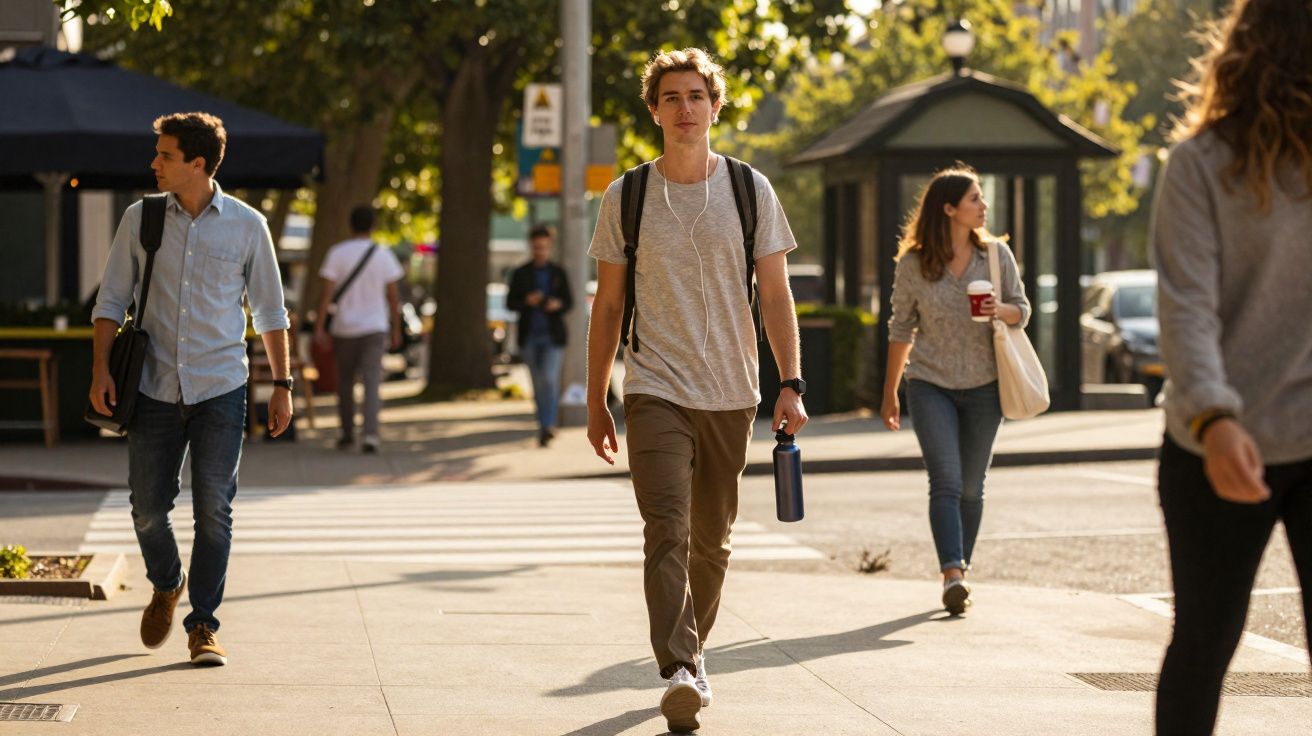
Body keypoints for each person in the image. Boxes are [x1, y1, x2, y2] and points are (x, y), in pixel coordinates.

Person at [586, 47, 808, 734]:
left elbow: (775, 294)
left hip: (733, 390)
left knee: (712, 540)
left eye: (696, 97)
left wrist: (790, 382)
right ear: (653, 111)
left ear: (715, 106)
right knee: (667, 529)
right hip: (655, 387)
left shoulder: (749, 189)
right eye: (671, 98)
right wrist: (597, 397)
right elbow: (608, 305)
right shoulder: (627, 195)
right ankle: (679, 667)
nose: (685, 109)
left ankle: (695, 654)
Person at [1151, 1, 1312, 732]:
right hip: (1214, 439)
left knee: (1203, 645)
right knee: (1206, 641)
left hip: (1215, 434)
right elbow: (1188, 303)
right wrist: (1217, 417)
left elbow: (1186, 305)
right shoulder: (1201, 167)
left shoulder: (1195, 162)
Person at [90, 112, 293, 666]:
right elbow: (111, 302)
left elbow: (271, 313)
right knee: (148, 511)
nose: (154, 163)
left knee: (215, 511)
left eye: (165, 155)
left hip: (221, 387)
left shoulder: (248, 225)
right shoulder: (141, 218)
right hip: (153, 385)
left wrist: (282, 384)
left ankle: (203, 623)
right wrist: (100, 370)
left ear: (197, 164)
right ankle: (166, 582)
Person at [879, 165, 1031, 616]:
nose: (984, 206)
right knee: (945, 480)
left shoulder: (997, 257)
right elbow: (900, 328)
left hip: (986, 385)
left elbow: (1022, 310)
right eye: (974, 199)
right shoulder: (913, 264)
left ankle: (962, 565)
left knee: (971, 486)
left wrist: (999, 309)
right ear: (949, 209)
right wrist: (890, 393)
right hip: (930, 385)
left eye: (982, 198)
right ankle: (953, 574)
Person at [314, 205, 405, 454]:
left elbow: (327, 295)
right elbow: (393, 297)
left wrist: (320, 327)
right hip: (375, 327)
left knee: (344, 382)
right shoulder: (384, 255)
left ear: (350, 225)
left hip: (344, 327)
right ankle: (370, 435)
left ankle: (346, 432)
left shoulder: (337, 253)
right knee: (372, 381)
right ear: (373, 226)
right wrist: (396, 328)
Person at [507, 225, 574, 447]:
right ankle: (543, 423)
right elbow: (510, 302)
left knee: (548, 378)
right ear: (531, 246)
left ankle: (548, 424)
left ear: (550, 247)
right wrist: (527, 301)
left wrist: (556, 304)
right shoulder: (521, 273)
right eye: (536, 247)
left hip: (553, 337)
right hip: (529, 336)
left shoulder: (558, 272)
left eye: (543, 247)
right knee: (537, 383)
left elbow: (569, 302)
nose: (540, 251)